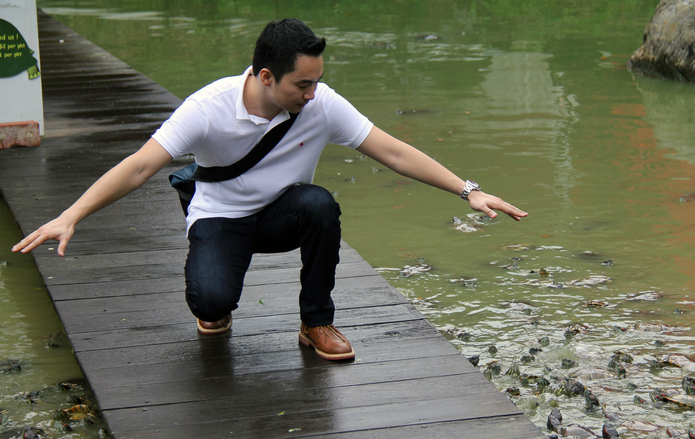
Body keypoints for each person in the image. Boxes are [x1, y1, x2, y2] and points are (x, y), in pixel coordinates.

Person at [12, 18, 527, 361]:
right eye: (302, 85)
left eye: (317, 81)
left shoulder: (321, 103)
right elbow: (139, 166)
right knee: (210, 304)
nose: (313, 92)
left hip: (284, 214)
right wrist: (72, 214)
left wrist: (468, 190)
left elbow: (392, 151)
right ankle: (216, 302)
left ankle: (315, 324)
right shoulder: (208, 107)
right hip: (221, 216)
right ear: (264, 76)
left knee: (320, 204)